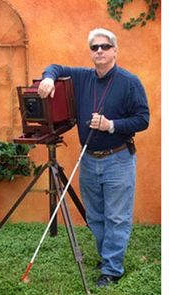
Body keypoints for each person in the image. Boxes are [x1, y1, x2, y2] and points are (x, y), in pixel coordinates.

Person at [37, 28, 149, 288]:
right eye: (95, 47)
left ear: (115, 50)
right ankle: (106, 256)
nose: (99, 50)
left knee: (117, 217)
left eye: (105, 46)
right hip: (88, 159)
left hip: (118, 159)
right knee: (96, 216)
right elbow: (54, 66)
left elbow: (143, 119)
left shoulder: (130, 82)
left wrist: (111, 125)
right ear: (90, 52)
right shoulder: (82, 76)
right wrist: (48, 78)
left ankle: (112, 269)